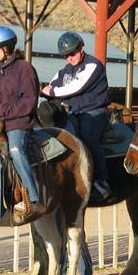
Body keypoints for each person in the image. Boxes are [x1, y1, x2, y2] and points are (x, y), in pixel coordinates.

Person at [0, 26, 44, 221]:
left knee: (15, 151)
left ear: (6, 48)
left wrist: (1, 111)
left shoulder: (25, 69)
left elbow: (28, 101)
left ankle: (32, 195)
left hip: (18, 122)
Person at [41, 31, 111, 202]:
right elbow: (50, 86)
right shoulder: (64, 71)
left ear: (81, 48)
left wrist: (53, 91)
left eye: (72, 53)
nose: (69, 58)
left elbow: (75, 87)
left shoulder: (93, 65)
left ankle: (101, 181)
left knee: (87, 138)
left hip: (94, 110)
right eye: (66, 55)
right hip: (73, 111)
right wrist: (49, 92)